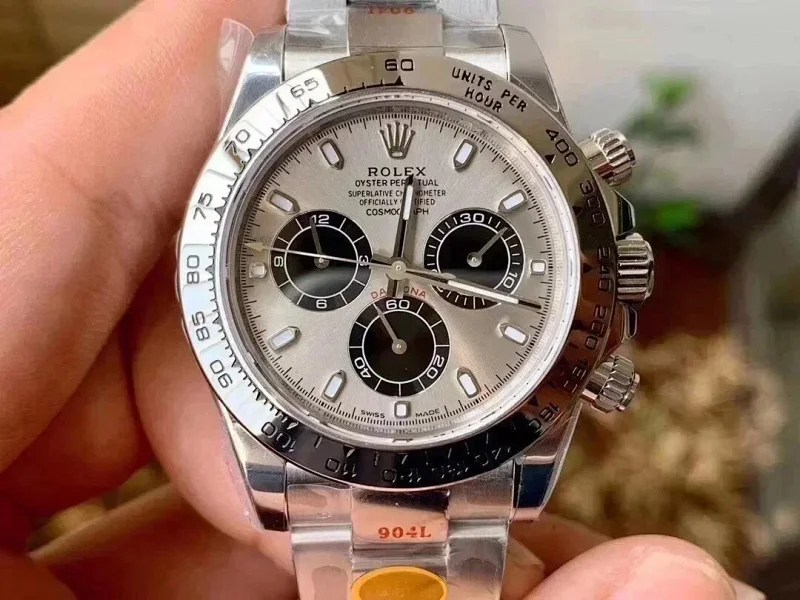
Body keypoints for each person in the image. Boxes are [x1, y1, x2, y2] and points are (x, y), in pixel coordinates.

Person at [0, 1, 755, 598]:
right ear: (209, 271)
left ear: (615, 270)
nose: (396, 278)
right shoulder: (293, 69)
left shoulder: (484, 65)